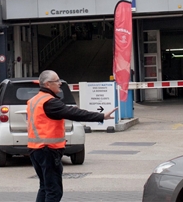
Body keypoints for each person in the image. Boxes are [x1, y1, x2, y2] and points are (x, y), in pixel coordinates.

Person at [27, 70, 117, 202]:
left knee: (45, 187)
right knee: (54, 191)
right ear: (47, 84)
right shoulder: (50, 102)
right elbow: (73, 113)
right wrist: (101, 116)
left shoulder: (34, 100)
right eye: (57, 81)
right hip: (48, 150)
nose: (60, 83)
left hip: (35, 149)